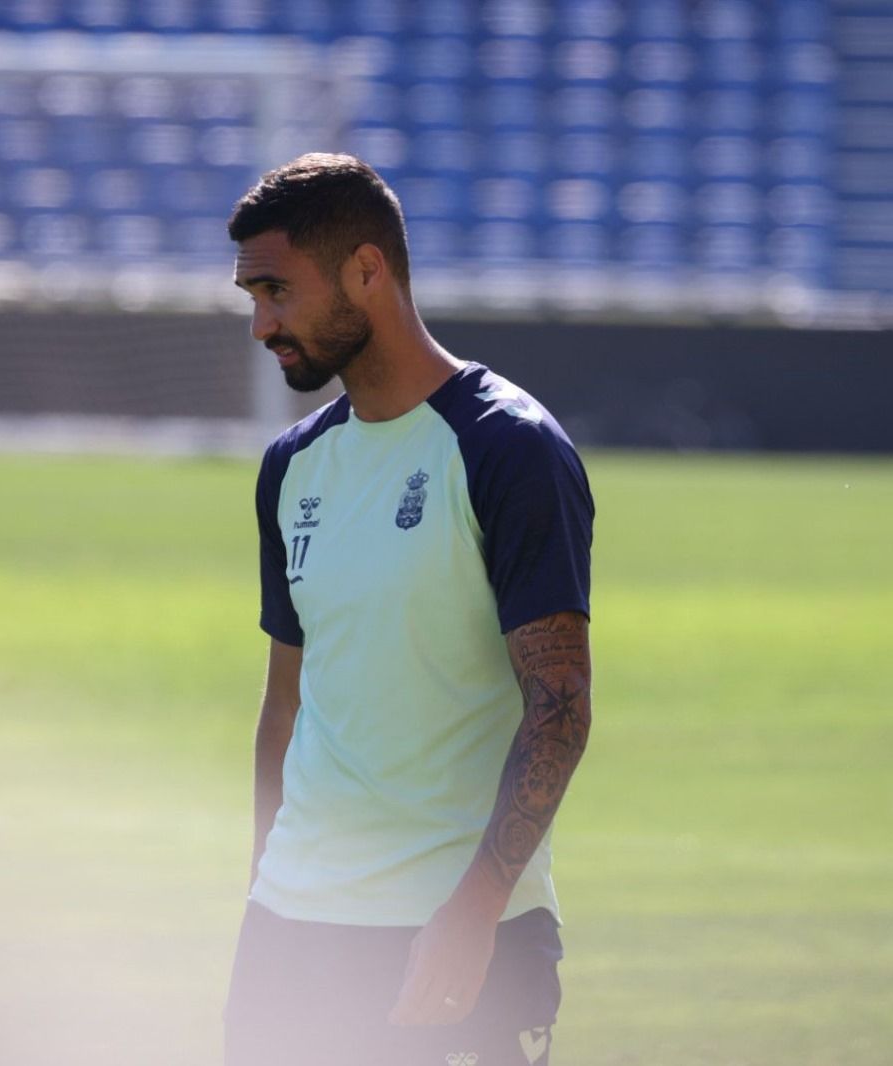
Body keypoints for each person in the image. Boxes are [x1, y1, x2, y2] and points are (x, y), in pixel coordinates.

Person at [223, 153, 594, 1066]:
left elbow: (560, 708)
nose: (262, 324)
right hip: (292, 934)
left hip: (451, 941)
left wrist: (474, 914)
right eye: (252, 297)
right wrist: (267, 885)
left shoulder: (509, 449)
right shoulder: (292, 467)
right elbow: (287, 703)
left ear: (366, 270)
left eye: (278, 291)